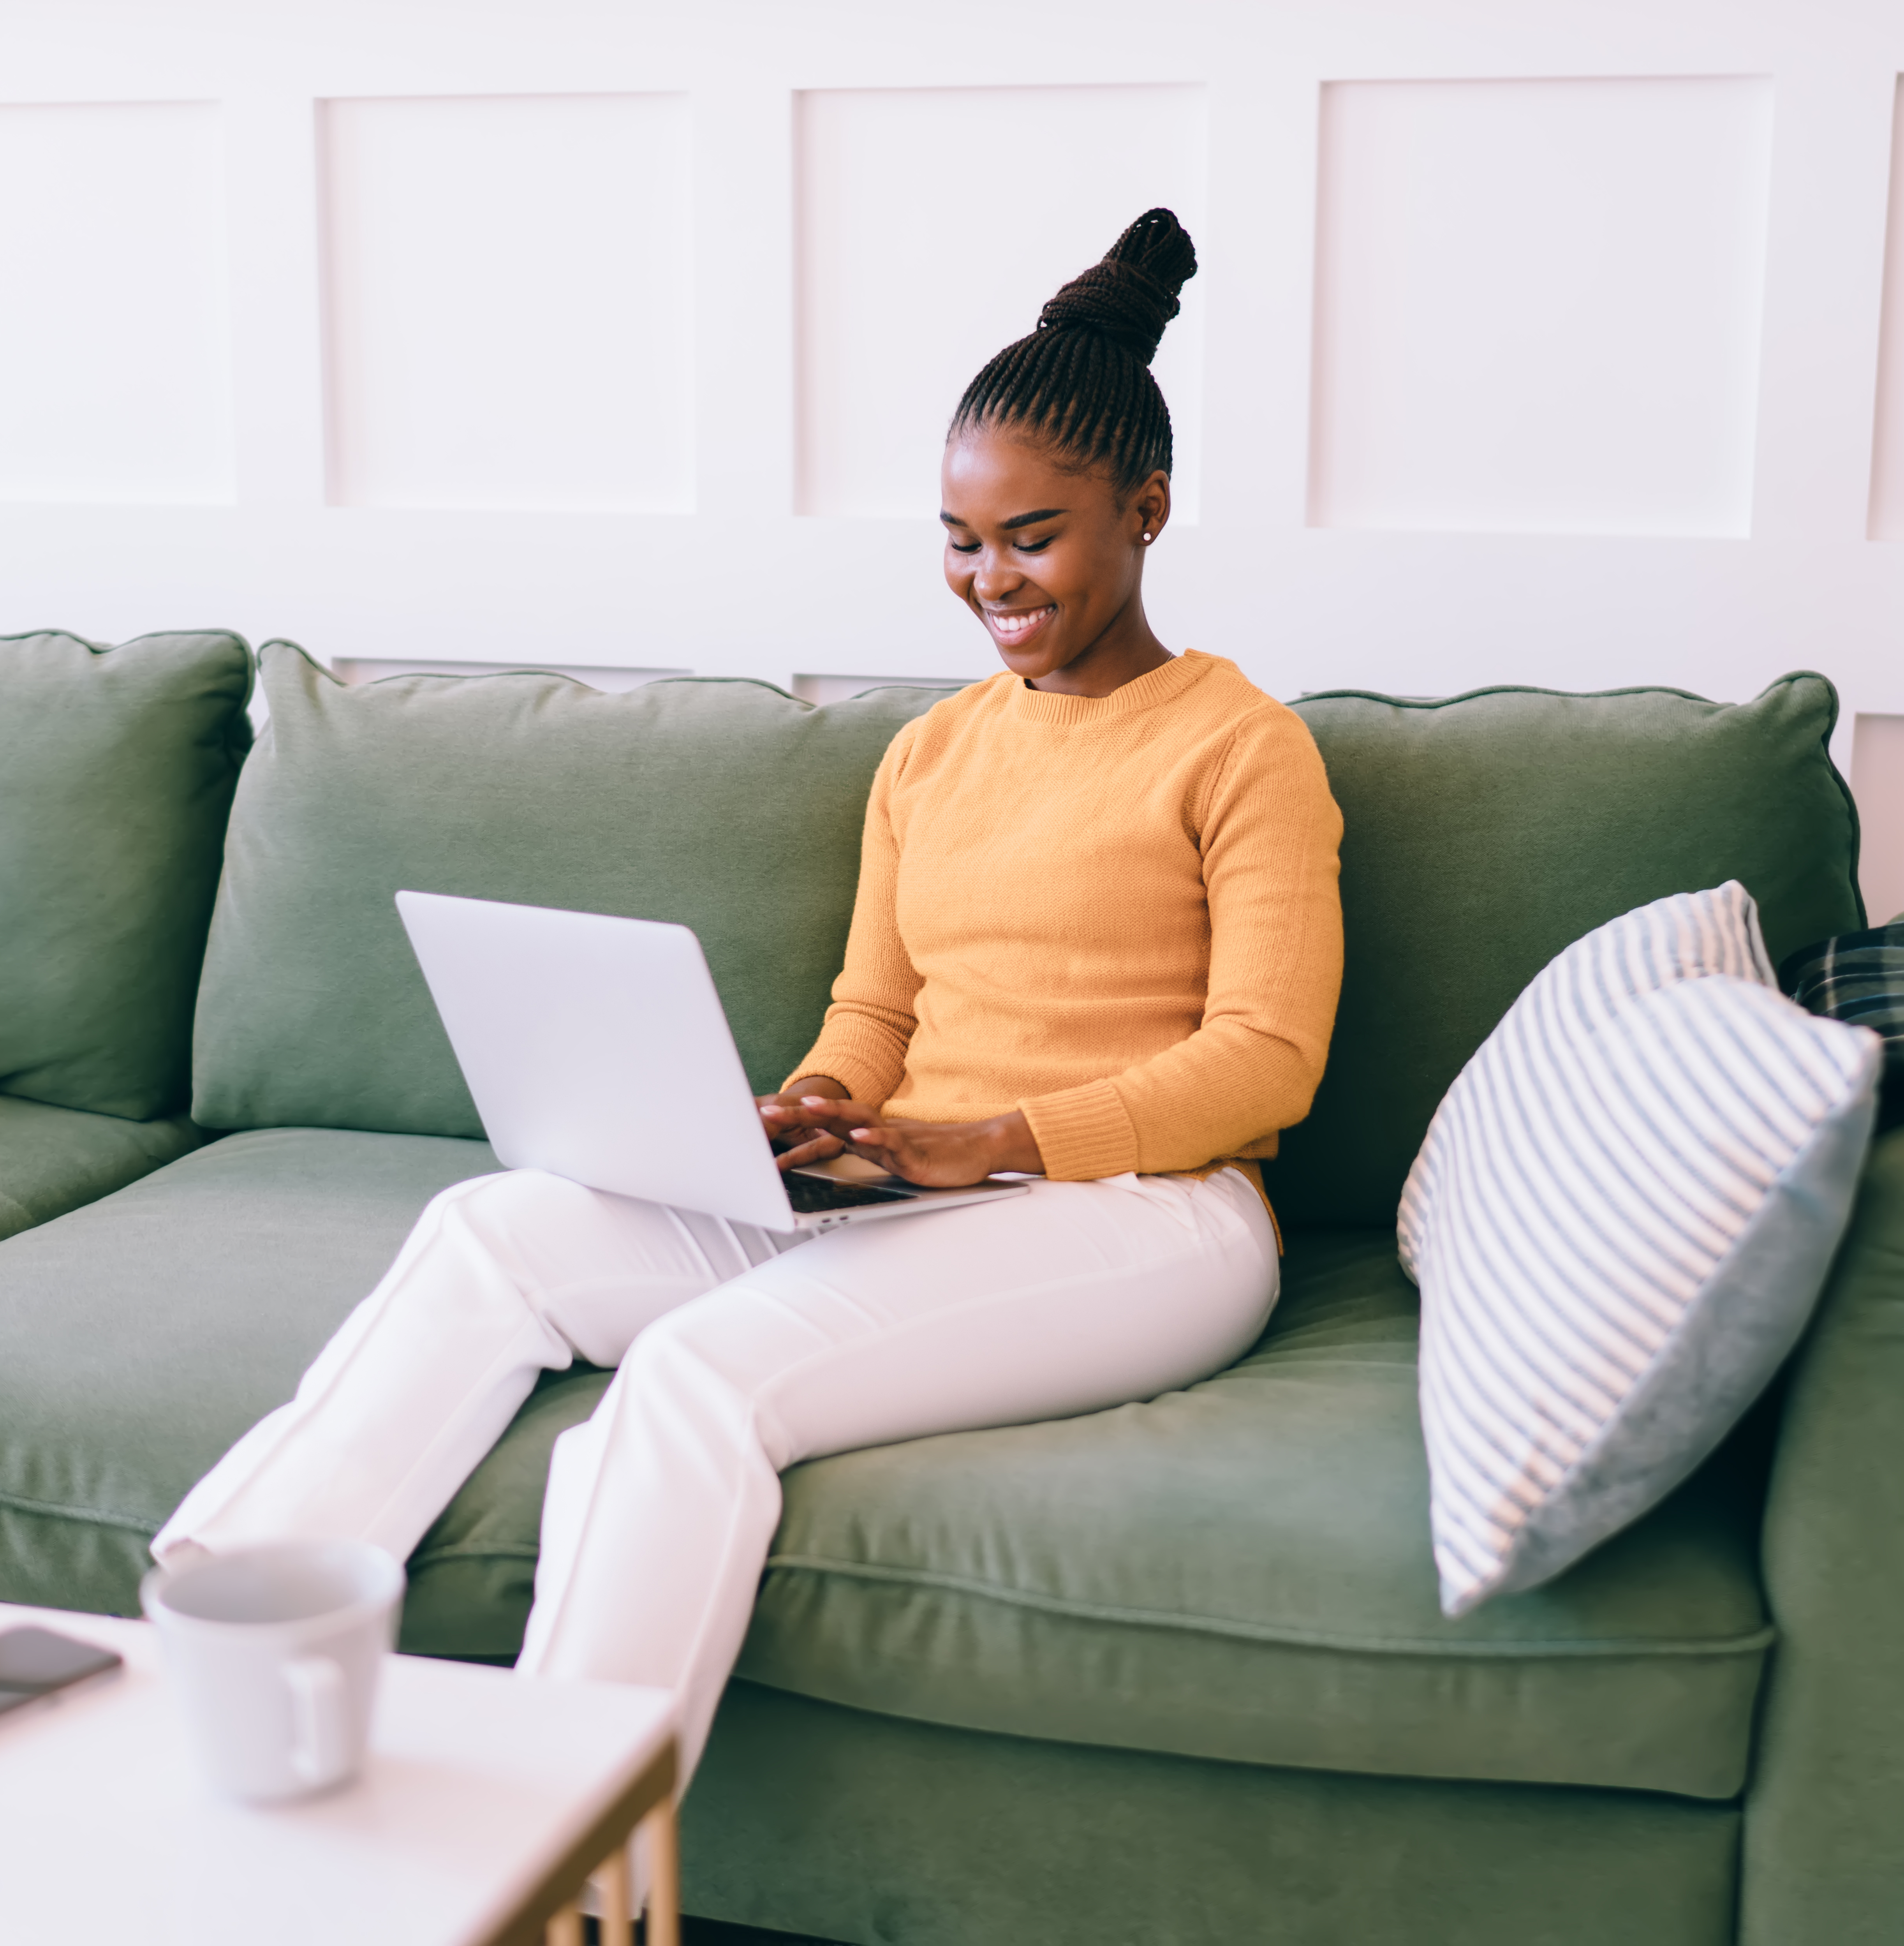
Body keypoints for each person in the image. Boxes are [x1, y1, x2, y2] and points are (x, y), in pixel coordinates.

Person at [152, 208, 1346, 1775]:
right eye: (957, 536)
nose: (987, 576)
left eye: (1031, 535)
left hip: (1146, 1215)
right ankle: (220, 1651)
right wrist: (817, 1108)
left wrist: (977, 1139)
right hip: (910, 1181)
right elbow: (876, 1010)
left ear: (1145, 511)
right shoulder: (929, 751)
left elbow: (1265, 1062)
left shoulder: (1241, 744)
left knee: (697, 1378)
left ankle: (551, 1846)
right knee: (487, 1232)